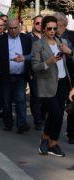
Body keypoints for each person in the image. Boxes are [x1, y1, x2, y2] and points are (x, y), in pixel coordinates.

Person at [32, 15, 73, 157]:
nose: (52, 31)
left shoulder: (61, 41)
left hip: (63, 83)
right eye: (49, 28)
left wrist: (70, 52)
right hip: (46, 84)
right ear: (43, 29)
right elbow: (35, 67)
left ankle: (53, 143)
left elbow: (70, 61)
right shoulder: (38, 44)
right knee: (54, 113)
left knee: (60, 115)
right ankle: (44, 139)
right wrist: (48, 62)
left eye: (55, 28)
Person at [0, 18, 32, 133]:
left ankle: (21, 124)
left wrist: (27, 64)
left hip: (20, 76)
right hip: (6, 76)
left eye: (15, 28)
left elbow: (32, 55)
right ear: (7, 28)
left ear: (19, 27)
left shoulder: (26, 39)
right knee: (6, 102)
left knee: (21, 100)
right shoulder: (0, 40)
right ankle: (8, 123)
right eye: (10, 28)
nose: (13, 30)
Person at [53, 12, 74, 144]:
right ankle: (52, 134)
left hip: (71, 77)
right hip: (56, 78)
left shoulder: (72, 36)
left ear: (64, 25)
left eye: (57, 26)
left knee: (72, 107)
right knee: (57, 108)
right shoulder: (49, 37)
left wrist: (70, 52)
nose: (54, 29)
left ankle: (71, 133)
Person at [29, 15, 45, 130]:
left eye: (41, 23)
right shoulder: (27, 38)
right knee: (36, 97)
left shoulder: (49, 37)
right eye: (37, 23)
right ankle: (38, 120)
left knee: (46, 98)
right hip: (34, 73)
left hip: (48, 73)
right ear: (33, 24)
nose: (39, 25)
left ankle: (42, 117)